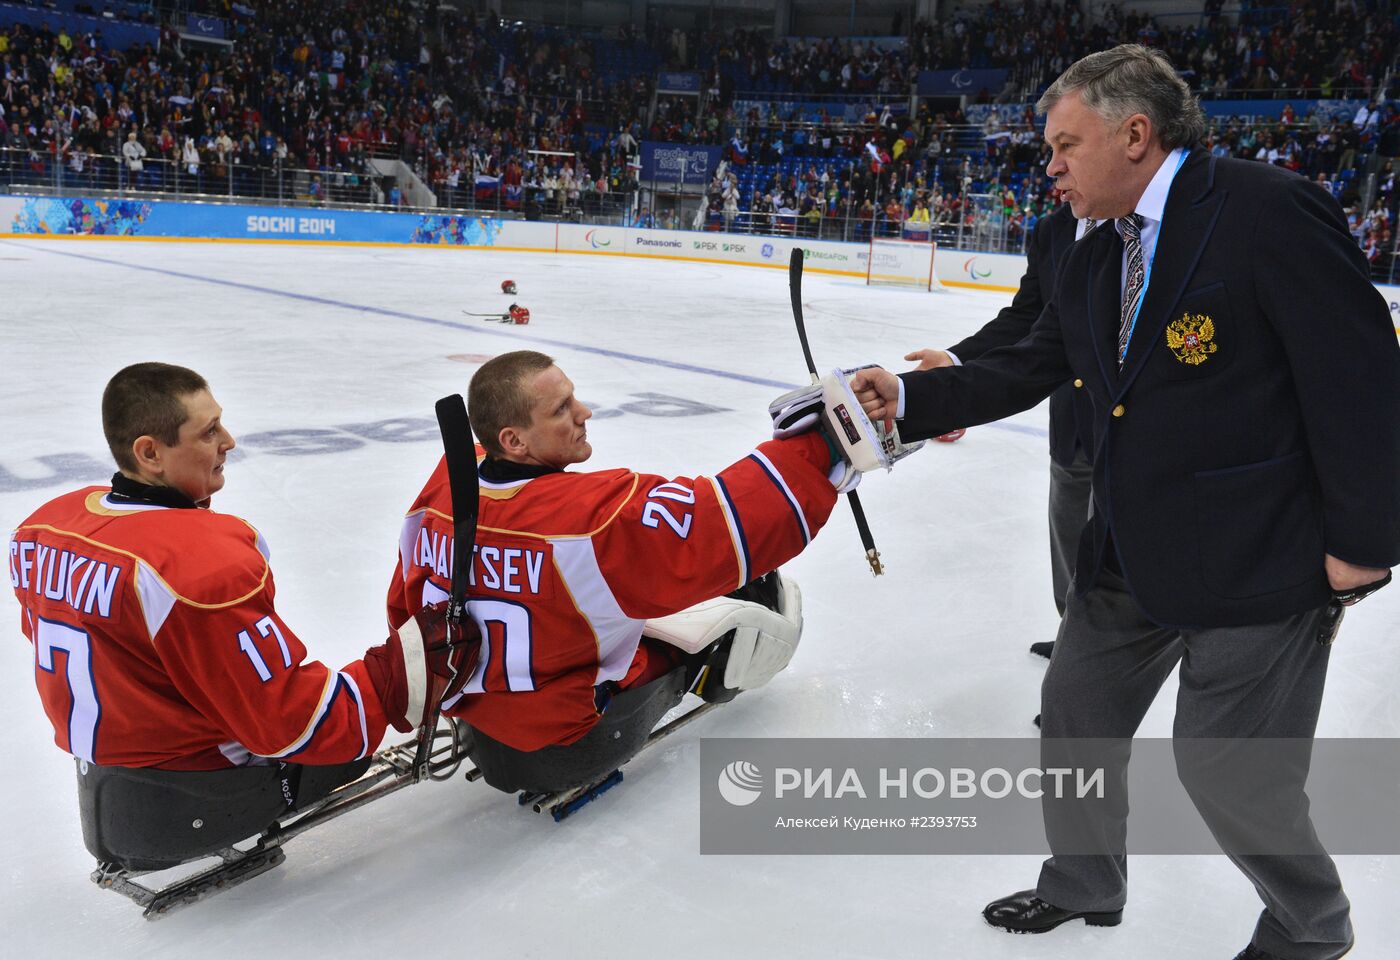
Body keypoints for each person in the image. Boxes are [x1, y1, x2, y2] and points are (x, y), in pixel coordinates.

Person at [850, 45, 1399, 960]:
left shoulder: (1266, 212)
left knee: (1230, 772)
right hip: (1131, 550)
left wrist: (1365, 545)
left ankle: (1312, 927)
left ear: (1136, 134)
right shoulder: (1083, 240)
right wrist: (907, 401)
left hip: (1260, 558)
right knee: (1076, 715)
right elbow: (1035, 357)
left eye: (1066, 145)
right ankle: (1085, 884)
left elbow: (1361, 383)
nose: (1051, 166)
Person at [10, 363, 473, 862]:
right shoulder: (197, 565)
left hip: (107, 780)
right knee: (342, 739)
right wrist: (401, 672)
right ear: (150, 453)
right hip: (199, 794)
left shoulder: (44, 529)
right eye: (208, 432)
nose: (228, 440)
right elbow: (293, 722)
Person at [386, 350, 845, 762]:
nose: (584, 413)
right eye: (562, 409)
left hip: (473, 718)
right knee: (702, 628)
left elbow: (404, 613)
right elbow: (726, 523)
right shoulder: (597, 514)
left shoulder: (444, 487)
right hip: (571, 741)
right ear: (514, 441)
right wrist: (823, 440)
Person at [903, 201, 1092, 669]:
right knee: (1069, 545)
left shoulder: (1147, 227)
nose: (1054, 168)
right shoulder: (1055, 228)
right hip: (1071, 426)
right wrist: (955, 358)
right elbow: (1026, 318)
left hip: (1132, 435)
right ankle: (1073, 638)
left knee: (1115, 565)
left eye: (1067, 146)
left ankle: (1092, 668)